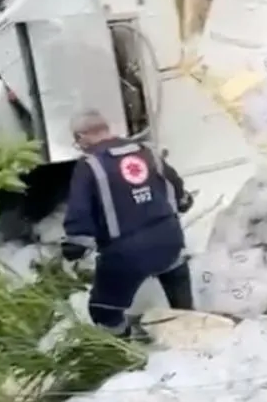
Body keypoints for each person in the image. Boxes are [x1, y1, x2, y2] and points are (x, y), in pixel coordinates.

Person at [60, 109, 195, 338]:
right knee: (181, 299)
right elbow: (177, 190)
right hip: (170, 242)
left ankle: (127, 352)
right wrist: (182, 203)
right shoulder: (146, 151)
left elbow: (80, 212)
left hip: (127, 254)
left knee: (103, 311)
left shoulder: (89, 166)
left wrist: (75, 245)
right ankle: (192, 331)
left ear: (81, 138)